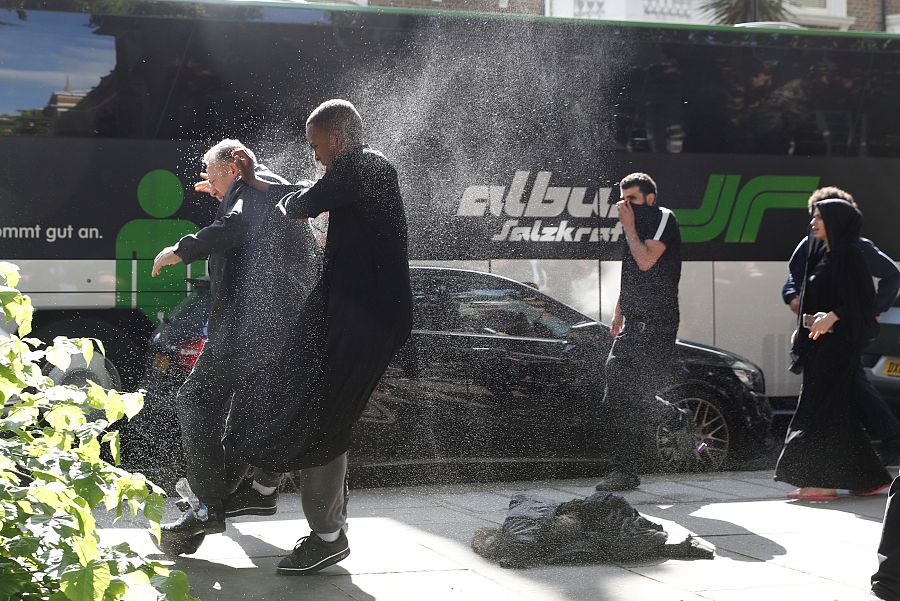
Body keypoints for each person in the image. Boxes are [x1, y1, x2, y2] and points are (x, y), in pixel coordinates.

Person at [233, 99, 414, 575]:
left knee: (327, 415)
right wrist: (260, 183)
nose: (315, 156)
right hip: (343, 306)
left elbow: (306, 200)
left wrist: (285, 198)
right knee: (288, 376)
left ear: (337, 137)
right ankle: (264, 484)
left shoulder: (369, 165)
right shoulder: (351, 174)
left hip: (372, 318)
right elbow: (315, 189)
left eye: (317, 146)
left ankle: (328, 537)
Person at [151, 140, 320, 543]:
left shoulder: (251, 188)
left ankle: (208, 506)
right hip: (276, 327)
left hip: (253, 327)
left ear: (235, 165)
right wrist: (225, 191)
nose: (208, 184)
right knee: (239, 423)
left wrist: (182, 248)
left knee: (195, 399)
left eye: (212, 175)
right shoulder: (260, 189)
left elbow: (238, 225)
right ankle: (212, 503)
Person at [775, 199, 891, 500]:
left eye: (820, 218)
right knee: (837, 412)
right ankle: (867, 479)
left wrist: (834, 316)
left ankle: (823, 482)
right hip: (820, 345)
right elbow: (813, 295)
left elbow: (863, 301)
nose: (813, 223)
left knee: (819, 411)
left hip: (838, 347)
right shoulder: (821, 254)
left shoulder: (850, 254)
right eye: (813, 217)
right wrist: (803, 328)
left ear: (837, 222)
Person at [594, 173, 681, 492]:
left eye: (631, 199)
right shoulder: (632, 229)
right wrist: (619, 310)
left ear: (650, 198)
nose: (624, 206)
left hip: (657, 325)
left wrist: (628, 225)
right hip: (632, 324)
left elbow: (645, 261)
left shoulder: (663, 219)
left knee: (630, 395)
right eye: (622, 199)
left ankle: (627, 468)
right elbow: (631, 273)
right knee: (616, 394)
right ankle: (625, 467)